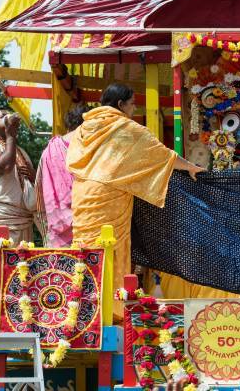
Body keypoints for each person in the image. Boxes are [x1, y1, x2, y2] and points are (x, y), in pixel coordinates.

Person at [67, 83, 205, 315]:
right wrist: (190, 167)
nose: (134, 109)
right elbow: (163, 156)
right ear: (121, 105)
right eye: (132, 104)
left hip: (83, 194)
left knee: (85, 250)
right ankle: (109, 312)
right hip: (109, 198)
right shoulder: (124, 128)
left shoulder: (85, 128)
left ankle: (82, 311)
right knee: (110, 251)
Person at [0, 110, 36, 272]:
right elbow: (5, 166)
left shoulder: (20, 151)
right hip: (2, 221)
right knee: (3, 274)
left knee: (24, 275)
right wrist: (11, 136)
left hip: (25, 220)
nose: (8, 116)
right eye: (2, 115)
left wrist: (33, 176)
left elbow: (35, 182)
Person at [35, 105, 89, 247]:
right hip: (87, 225)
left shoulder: (50, 150)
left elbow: (40, 188)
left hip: (56, 228)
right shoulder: (89, 147)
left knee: (61, 268)